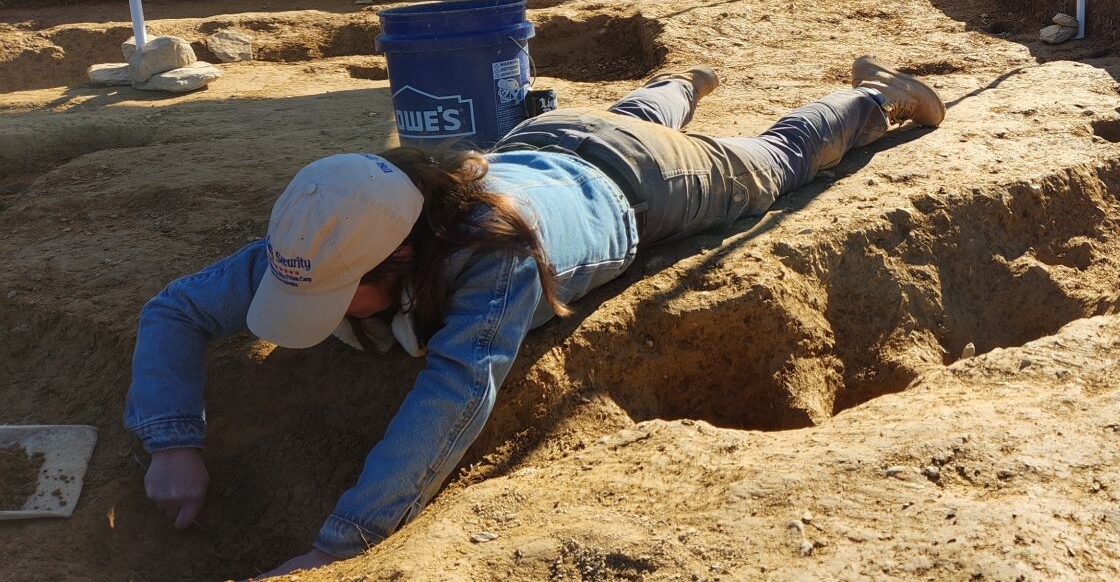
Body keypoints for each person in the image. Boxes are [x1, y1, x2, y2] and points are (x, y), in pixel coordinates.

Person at [125, 58, 943, 577]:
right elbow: (175, 309)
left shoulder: (496, 262)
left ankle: (872, 93)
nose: (317, 307)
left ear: (401, 259)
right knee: (628, 117)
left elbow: (455, 391)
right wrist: (173, 439)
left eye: (338, 298)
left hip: (646, 186)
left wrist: (343, 541)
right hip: (546, 139)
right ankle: (679, 81)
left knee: (777, 162)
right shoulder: (319, 236)